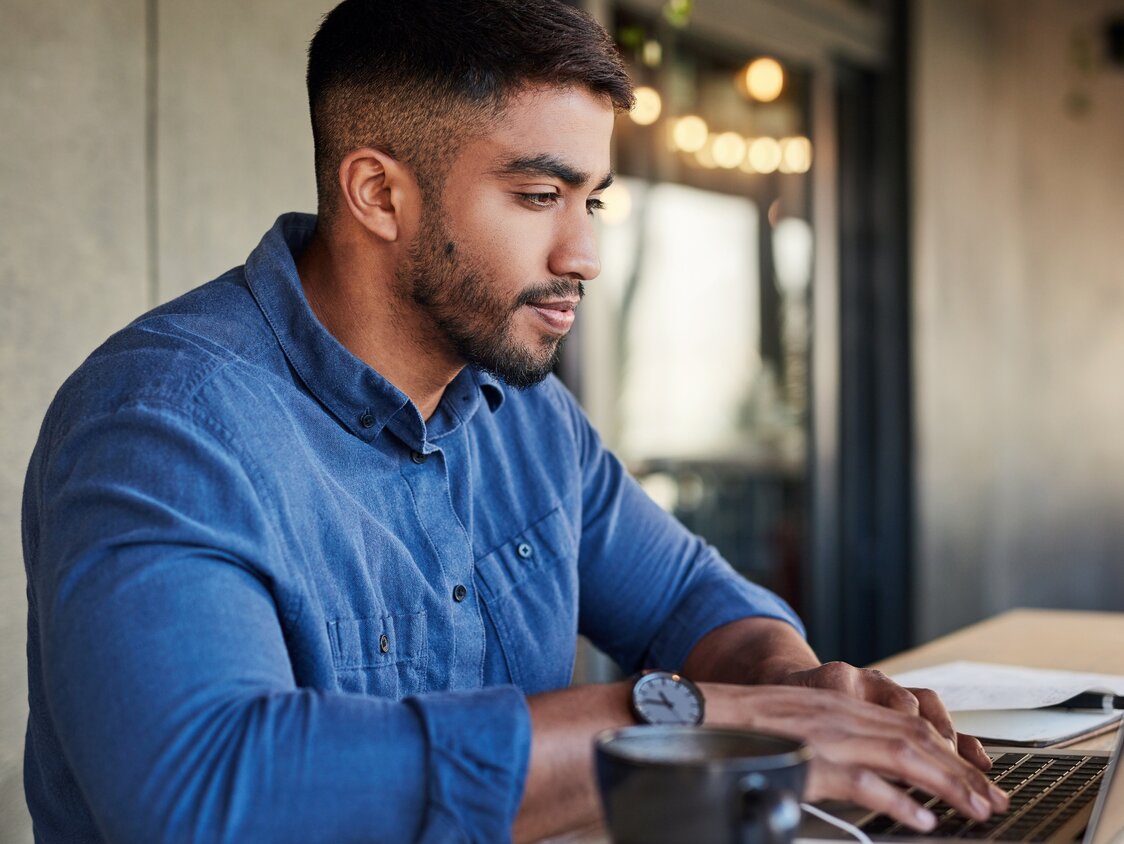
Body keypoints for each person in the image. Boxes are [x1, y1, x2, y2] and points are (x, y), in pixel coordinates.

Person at [22, 1, 1007, 841]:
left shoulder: (527, 415)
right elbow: (208, 791)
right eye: (539, 194)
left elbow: (687, 601)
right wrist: (676, 716)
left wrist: (795, 693)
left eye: (592, 199)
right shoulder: (162, 424)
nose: (582, 252)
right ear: (378, 193)